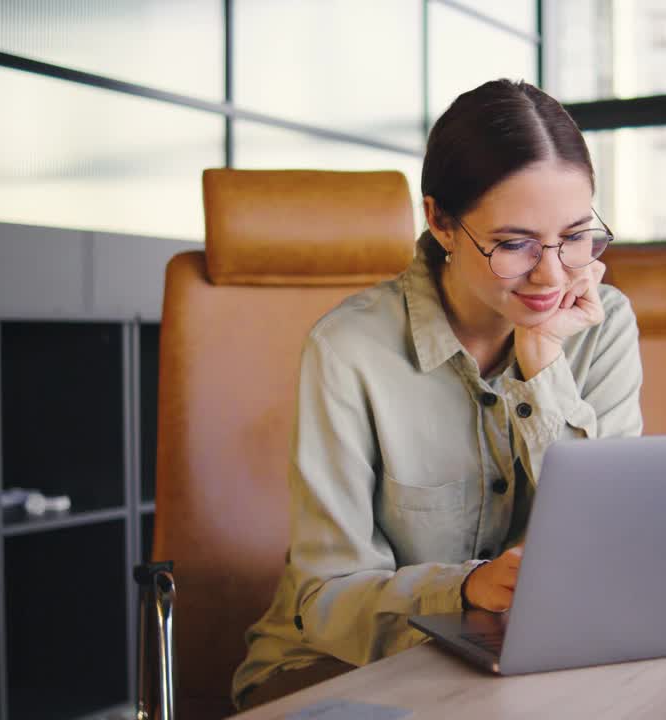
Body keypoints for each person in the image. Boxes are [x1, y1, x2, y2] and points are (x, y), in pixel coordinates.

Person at [231, 78, 644, 710]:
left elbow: (614, 542)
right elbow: (324, 598)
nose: (553, 273)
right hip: (337, 668)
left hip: (521, 665)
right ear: (441, 222)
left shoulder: (602, 324)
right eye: (514, 243)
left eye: (576, 235)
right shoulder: (349, 350)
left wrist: (542, 366)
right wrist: (468, 588)